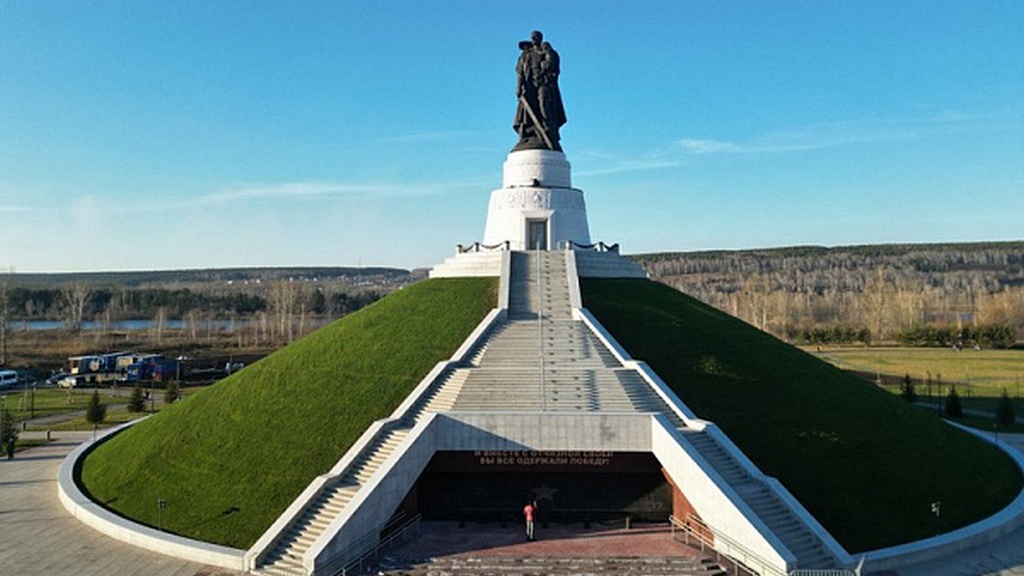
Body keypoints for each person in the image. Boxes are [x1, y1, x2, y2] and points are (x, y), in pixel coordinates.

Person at [513, 31, 566, 151]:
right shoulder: (525, 55)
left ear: (540, 39)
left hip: (544, 84)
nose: (534, 39)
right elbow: (520, 72)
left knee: (544, 104)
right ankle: (528, 134)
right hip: (530, 85)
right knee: (528, 110)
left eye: (536, 37)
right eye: (532, 37)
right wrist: (519, 86)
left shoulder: (546, 52)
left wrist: (548, 54)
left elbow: (553, 67)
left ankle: (548, 131)